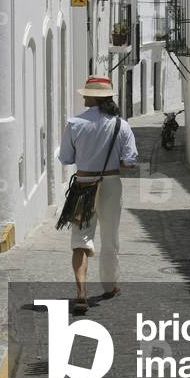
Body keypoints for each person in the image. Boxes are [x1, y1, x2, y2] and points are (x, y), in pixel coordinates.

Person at [58, 76, 138, 311]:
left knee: (80, 239)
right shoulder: (121, 125)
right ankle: (110, 286)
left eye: (86, 93)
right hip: (111, 183)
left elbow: (66, 158)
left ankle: (81, 292)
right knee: (110, 237)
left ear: (95, 97)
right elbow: (130, 161)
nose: (83, 96)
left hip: (83, 184)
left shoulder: (75, 123)